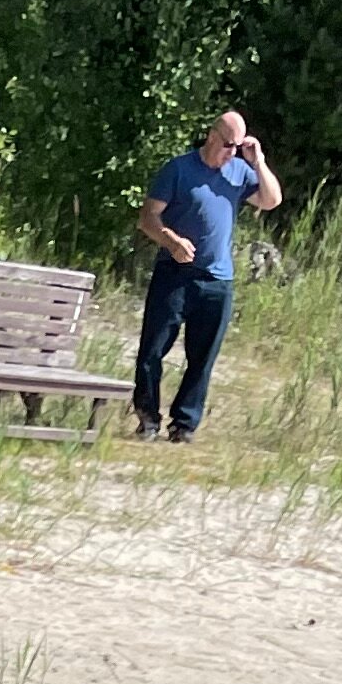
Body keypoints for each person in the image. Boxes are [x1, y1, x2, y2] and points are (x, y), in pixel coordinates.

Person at [134, 110, 283, 442]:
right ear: (212, 136)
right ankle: (147, 418)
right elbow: (147, 218)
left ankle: (183, 425)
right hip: (174, 274)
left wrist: (257, 160)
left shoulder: (240, 172)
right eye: (229, 144)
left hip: (217, 281)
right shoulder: (179, 169)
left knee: (202, 358)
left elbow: (272, 200)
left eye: (238, 146)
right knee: (152, 351)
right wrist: (171, 241)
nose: (232, 152)